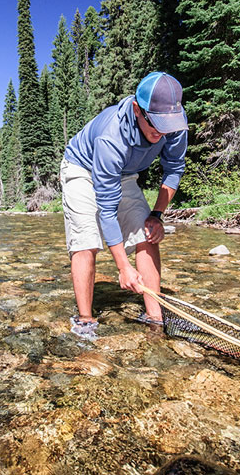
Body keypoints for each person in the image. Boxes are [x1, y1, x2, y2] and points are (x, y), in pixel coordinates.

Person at [60, 71, 188, 340]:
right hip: (81, 168)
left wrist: (157, 215)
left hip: (124, 173)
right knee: (86, 241)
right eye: (155, 123)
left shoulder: (175, 122)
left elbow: (174, 168)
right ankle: (85, 320)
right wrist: (123, 268)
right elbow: (106, 209)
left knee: (147, 233)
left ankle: (155, 317)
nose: (161, 131)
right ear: (136, 110)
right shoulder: (112, 135)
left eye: (167, 124)